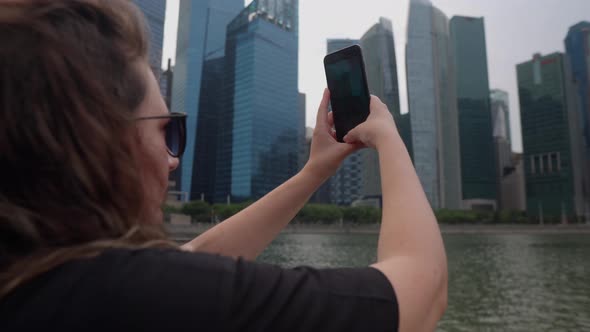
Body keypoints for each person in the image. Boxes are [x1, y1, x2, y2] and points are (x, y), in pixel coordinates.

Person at [0, 1, 447, 331]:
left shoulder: (36, 275)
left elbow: (192, 259)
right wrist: (387, 135)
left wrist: (314, 172)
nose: (174, 159)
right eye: (168, 131)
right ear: (101, 141)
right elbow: (421, 292)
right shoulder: (119, 296)